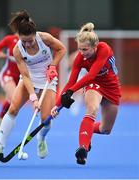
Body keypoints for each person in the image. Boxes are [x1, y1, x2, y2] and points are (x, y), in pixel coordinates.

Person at [0, 10, 66, 163]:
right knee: (13, 109)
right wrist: (33, 98)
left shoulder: (44, 38)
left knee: (45, 119)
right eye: (24, 41)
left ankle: (41, 139)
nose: (28, 44)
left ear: (35, 34)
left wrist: (52, 66)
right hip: (29, 79)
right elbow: (25, 76)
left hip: (48, 79)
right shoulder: (18, 49)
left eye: (30, 41)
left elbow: (61, 49)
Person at [51, 22, 121, 165]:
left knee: (105, 129)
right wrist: (57, 106)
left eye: (85, 49)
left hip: (112, 87)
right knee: (92, 109)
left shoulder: (104, 49)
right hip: (94, 84)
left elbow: (91, 74)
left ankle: (87, 133)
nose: (82, 53)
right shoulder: (80, 58)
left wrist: (70, 92)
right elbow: (71, 82)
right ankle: (83, 149)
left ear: (95, 47)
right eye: (79, 49)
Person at [0, 33, 20, 146]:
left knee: (12, 102)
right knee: (14, 100)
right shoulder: (9, 39)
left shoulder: (30, 42)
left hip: (20, 78)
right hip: (7, 75)